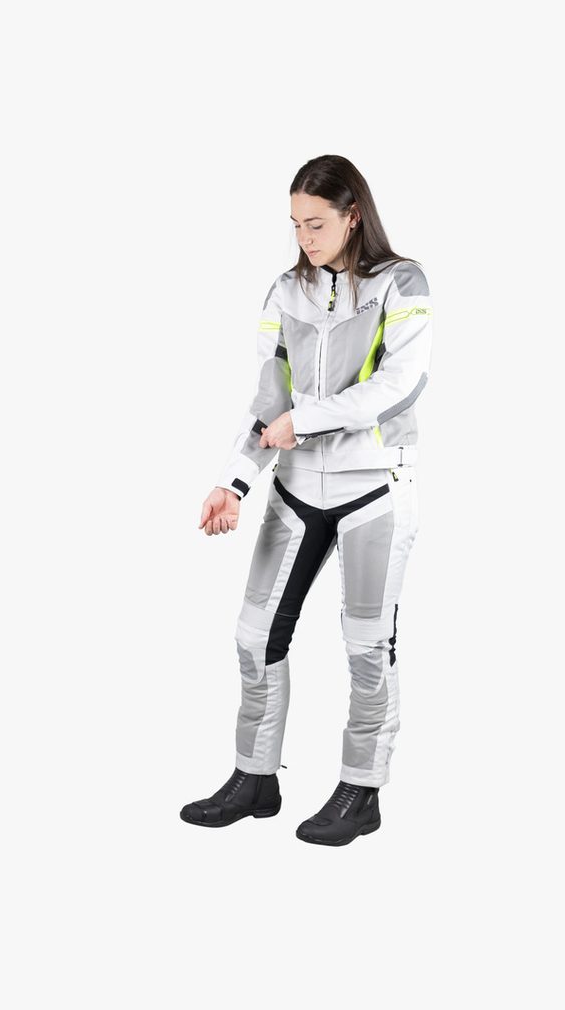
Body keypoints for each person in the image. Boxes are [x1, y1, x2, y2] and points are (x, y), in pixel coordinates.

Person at [180, 154, 433, 846]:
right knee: (253, 636)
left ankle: (361, 790)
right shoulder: (284, 290)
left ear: (353, 216)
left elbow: (398, 386)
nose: (304, 238)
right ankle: (254, 778)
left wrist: (307, 420)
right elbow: (269, 399)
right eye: (294, 224)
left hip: (374, 489)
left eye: (316, 224)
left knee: (366, 646)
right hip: (295, 491)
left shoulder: (402, 281)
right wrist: (233, 480)